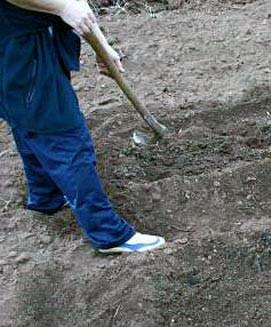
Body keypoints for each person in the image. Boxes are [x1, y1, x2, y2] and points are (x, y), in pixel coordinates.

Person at [0, 0, 165, 253]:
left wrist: (100, 44)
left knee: (30, 122)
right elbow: (66, 5)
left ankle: (46, 198)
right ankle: (109, 234)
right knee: (65, 138)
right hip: (19, 51)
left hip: (28, 44)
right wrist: (61, 8)